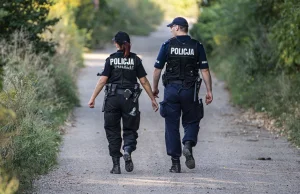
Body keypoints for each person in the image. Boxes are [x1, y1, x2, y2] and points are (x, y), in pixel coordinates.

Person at [88, 31, 159, 174]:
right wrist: (152, 98)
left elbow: (103, 80)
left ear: (117, 44)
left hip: (112, 100)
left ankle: (116, 165)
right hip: (130, 100)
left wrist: (93, 98)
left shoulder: (111, 59)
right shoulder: (135, 60)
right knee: (130, 129)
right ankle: (127, 150)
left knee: (112, 131)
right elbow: (143, 81)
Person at [152, 17, 213, 173]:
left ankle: (175, 163)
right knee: (192, 120)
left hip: (171, 90)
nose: (171, 29)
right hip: (190, 91)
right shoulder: (197, 46)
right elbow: (204, 70)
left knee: (171, 126)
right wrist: (209, 90)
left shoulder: (167, 45)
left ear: (178, 28)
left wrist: (154, 88)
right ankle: (188, 144)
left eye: (172, 27)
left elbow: (157, 69)